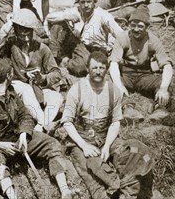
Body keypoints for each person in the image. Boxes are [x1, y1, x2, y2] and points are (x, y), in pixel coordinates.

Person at [0, 61, 75, 199]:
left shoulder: (10, 90)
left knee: (51, 143)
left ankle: (65, 190)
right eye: (11, 73)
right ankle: (12, 196)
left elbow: (25, 114)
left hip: (18, 138)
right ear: (8, 76)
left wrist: (24, 133)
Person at [62, 51, 154, 199]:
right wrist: (84, 146)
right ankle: (108, 192)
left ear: (106, 69)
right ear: (87, 68)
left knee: (136, 151)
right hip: (81, 140)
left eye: (101, 68)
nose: (98, 72)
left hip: (106, 138)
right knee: (91, 166)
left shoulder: (113, 90)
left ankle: (128, 191)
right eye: (94, 68)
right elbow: (67, 122)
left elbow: (115, 122)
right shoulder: (77, 89)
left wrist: (106, 146)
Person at [0, 8, 64, 132]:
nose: (27, 38)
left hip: (38, 88)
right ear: (16, 30)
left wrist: (43, 78)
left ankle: (40, 127)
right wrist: (8, 25)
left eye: (29, 33)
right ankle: (46, 123)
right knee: (25, 88)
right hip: (16, 86)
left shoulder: (41, 48)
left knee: (57, 97)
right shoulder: (10, 45)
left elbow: (56, 72)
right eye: (22, 34)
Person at [109, 7, 174, 121]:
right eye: (133, 25)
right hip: (125, 75)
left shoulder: (153, 40)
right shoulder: (123, 37)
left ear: (147, 27)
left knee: (167, 82)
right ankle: (128, 107)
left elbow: (167, 65)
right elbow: (114, 63)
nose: (136, 29)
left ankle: (160, 108)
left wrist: (163, 88)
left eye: (140, 26)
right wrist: (119, 85)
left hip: (144, 76)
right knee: (108, 81)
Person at [46, 0, 124, 77]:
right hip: (80, 45)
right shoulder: (76, 10)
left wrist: (115, 55)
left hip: (97, 48)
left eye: (89, 2)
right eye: (82, 2)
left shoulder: (103, 16)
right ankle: (56, 57)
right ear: (78, 3)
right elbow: (49, 17)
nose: (86, 5)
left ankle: (68, 61)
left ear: (94, 2)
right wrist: (66, 17)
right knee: (58, 24)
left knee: (80, 68)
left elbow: (121, 35)